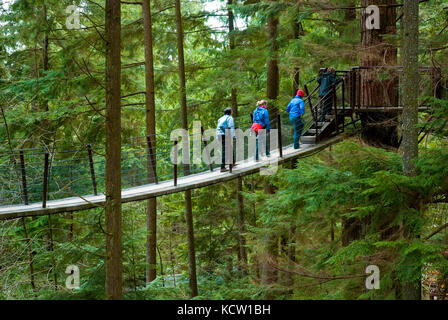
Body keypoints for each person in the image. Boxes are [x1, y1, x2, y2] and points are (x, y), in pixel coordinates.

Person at [216, 107, 236, 172]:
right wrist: (233, 137)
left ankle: (232, 162)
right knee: (225, 150)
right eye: (232, 111)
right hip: (225, 135)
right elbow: (231, 128)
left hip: (219, 135)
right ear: (230, 112)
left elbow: (217, 129)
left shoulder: (220, 119)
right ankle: (222, 167)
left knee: (229, 147)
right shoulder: (230, 118)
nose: (232, 112)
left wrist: (217, 138)